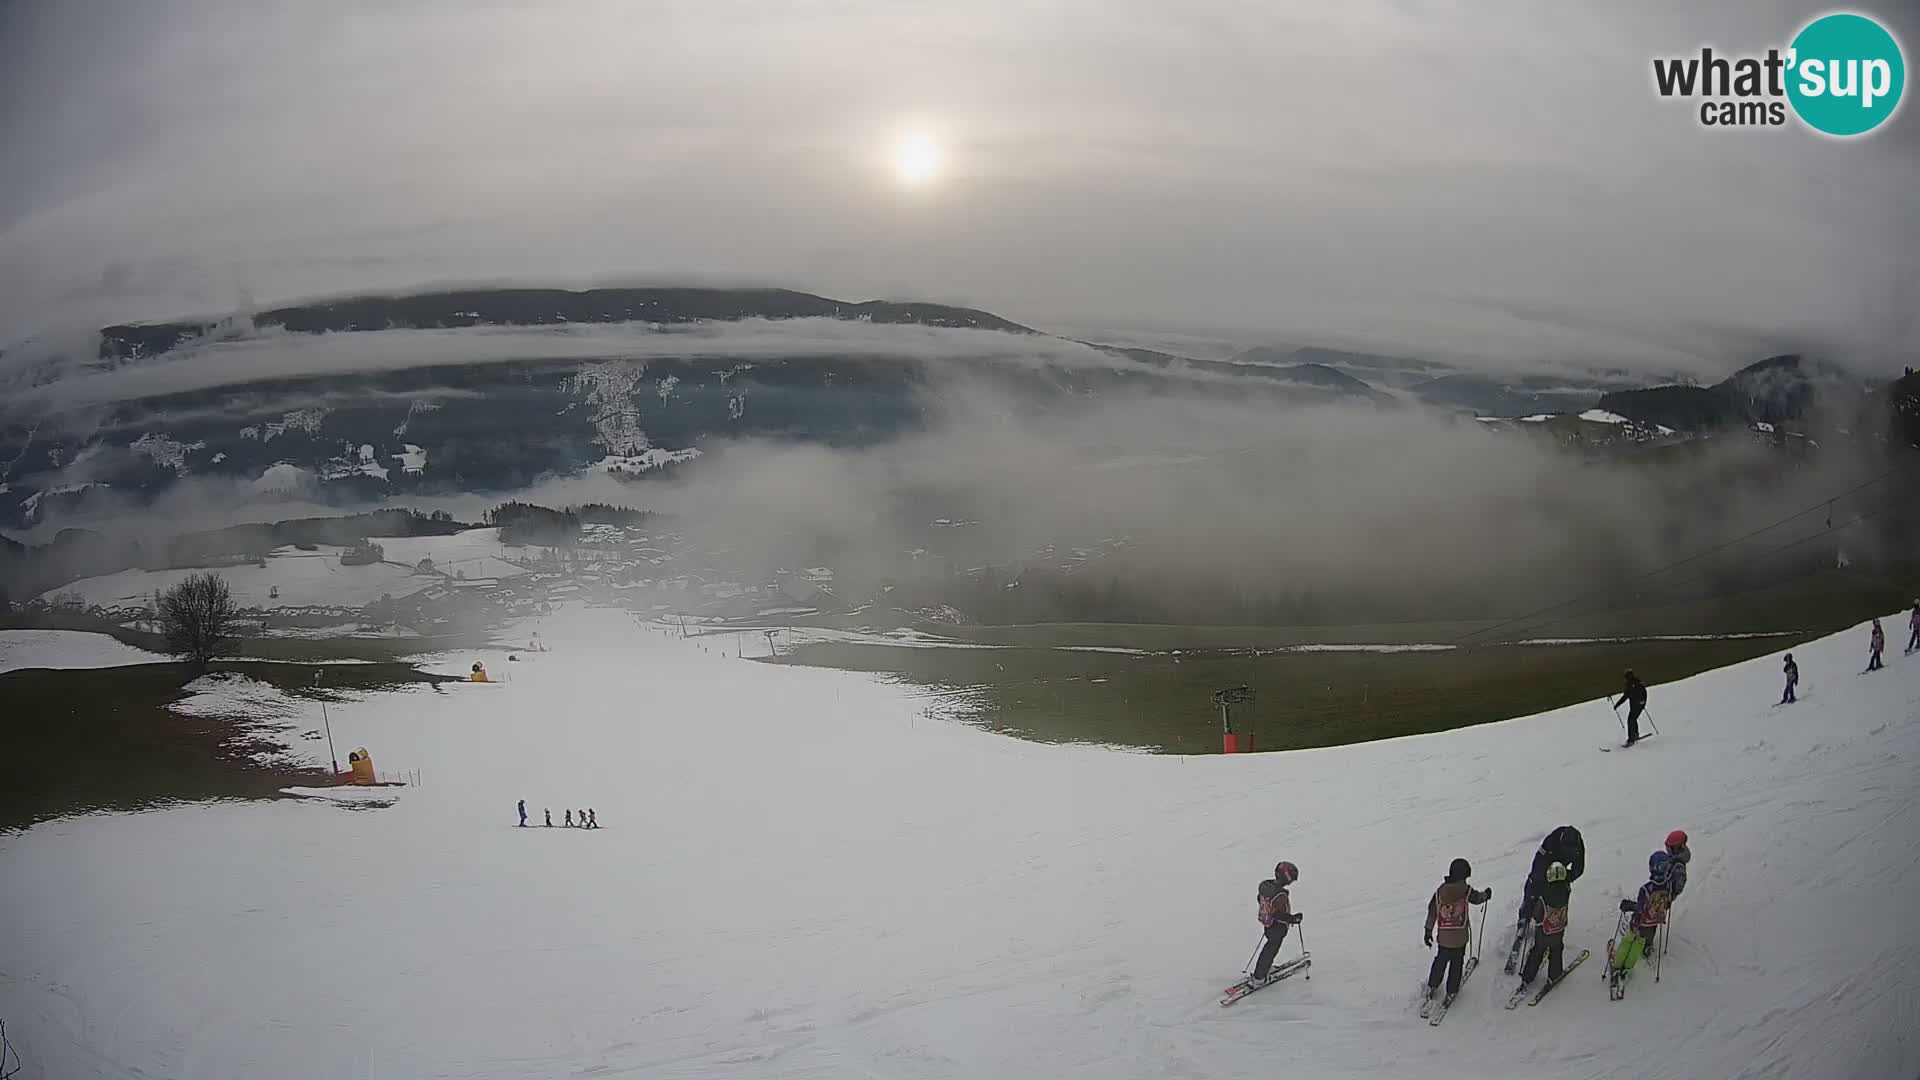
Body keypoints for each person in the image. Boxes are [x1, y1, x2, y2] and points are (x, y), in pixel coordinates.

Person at [1425, 858, 1492, 1003]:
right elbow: (1478, 898)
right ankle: (1451, 991)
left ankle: (1432, 985)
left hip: (1444, 940)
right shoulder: (1465, 890)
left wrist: (1428, 931)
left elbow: (1432, 911)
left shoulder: (1440, 891)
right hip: (1460, 940)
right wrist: (1486, 894)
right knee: (1456, 964)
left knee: (1440, 962)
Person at [1612, 851, 1674, 977]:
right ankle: (1633, 961)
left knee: (1629, 940)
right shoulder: (1668, 886)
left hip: (1640, 921)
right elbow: (1668, 901)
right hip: (1655, 919)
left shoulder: (1647, 888)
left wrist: (1628, 905)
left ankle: (1618, 964)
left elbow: (1640, 908)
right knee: (1641, 941)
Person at [1517, 862, 1573, 990]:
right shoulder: (1566, 891)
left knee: (1537, 951)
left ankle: (1528, 976)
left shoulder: (1544, 894)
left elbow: (1538, 913)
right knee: (1556, 950)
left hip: (1544, 931)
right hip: (1559, 930)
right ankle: (1555, 974)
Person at [1517, 825, 1586, 929]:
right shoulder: (1550, 842)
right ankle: (1525, 913)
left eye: (1570, 850)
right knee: (1534, 883)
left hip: (1562, 865)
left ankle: (1557, 912)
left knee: (1561, 888)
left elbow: (1578, 869)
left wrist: (1566, 877)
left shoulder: (1579, 846)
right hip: (1547, 860)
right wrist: (1546, 878)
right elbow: (1538, 866)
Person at [1251, 861, 1304, 983]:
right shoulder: (1280, 895)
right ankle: (1260, 976)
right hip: (1277, 927)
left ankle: (1264, 968)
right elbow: (1278, 914)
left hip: (1267, 923)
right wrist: (1293, 919)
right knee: (1271, 949)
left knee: (1270, 947)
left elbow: (1260, 899)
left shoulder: (1265, 887)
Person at [1612, 670, 1649, 747]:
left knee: (1630, 721)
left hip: (1635, 705)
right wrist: (1644, 703)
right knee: (1633, 719)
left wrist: (1617, 705)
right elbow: (1644, 693)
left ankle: (1631, 740)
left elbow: (1625, 697)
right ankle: (1635, 735)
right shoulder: (1638, 682)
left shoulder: (1630, 685)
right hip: (1640, 704)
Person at [1664, 829, 1692, 901]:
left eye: (1669, 848)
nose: (1667, 849)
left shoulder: (1678, 865)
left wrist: (1671, 893)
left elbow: (1679, 885)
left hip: (1666, 894)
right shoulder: (1673, 857)